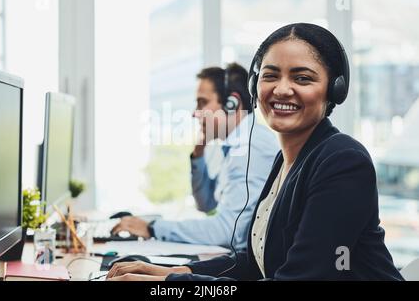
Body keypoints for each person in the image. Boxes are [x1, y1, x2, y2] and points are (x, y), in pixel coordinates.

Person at [106, 23, 404, 281]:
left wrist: (173, 286)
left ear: (334, 90)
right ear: (255, 85)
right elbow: (254, 261)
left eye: (302, 78)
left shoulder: (342, 161)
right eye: (271, 75)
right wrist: (174, 272)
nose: (282, 89)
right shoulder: (287, 160)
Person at [111, 63, 278, 249]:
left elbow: (227, 230)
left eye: (202, 103)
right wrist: (198, 154)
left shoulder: (250, 147)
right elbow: (206, 203)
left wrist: (152, 228)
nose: (194, 113)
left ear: (232, 103)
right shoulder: (234, 144)